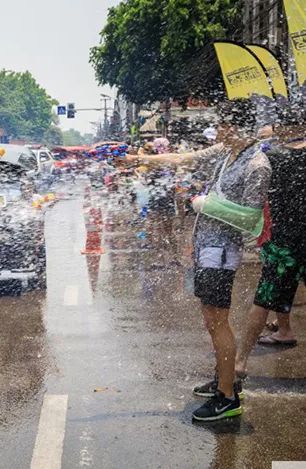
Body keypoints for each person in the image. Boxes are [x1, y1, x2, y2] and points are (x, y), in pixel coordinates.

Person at [127, 99, 271, 421]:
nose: (218, 131)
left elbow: (251, 219)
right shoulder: (226, 152)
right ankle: (224, 379)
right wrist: (140, 159)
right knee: (212, 319)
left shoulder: (257, 164)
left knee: (217, 320)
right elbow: (184, 158)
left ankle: (227, 397)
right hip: (206, 248)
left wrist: (208, 206)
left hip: (221, 253)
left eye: (222, 125)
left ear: (237, 127)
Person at [235, 108, 306, 376]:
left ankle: (240, 361)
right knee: (265, 301)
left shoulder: (271, 156)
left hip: (283, 243)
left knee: (263, 301)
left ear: (281, 128)